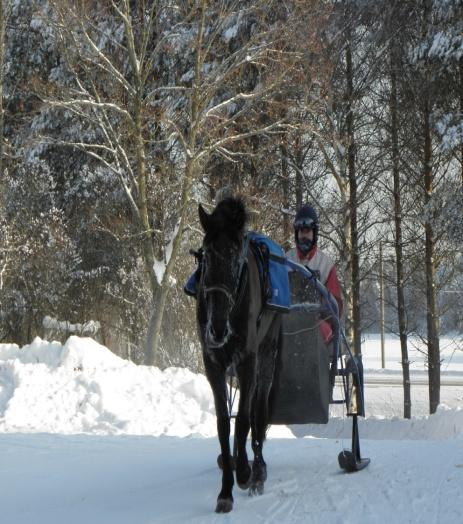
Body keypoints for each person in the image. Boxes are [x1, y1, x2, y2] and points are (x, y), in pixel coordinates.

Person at [286, 204, 343, 346]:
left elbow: (335, 303)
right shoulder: (286, 260)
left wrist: (319, 311)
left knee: (317, 332)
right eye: (300, 231)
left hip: (316, 322)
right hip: (288, 320)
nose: (303, 235)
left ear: (314, 233)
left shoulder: (325, 264)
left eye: (307, 231)